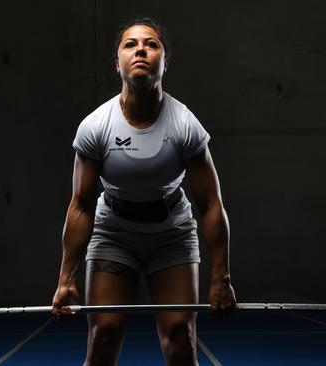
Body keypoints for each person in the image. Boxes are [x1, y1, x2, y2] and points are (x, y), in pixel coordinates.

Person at [51, 17, 236, 366]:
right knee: (103, 335)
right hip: (114, 233)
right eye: (130, 44)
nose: (140, 50)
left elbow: (211, 204)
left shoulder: (184, 124)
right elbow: (81, 206)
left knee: (180, 338)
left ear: (164, 63)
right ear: (116, 63)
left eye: (151, 44)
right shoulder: (96, 126)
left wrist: (221, 278)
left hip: (172, 234)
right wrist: (66, 279)